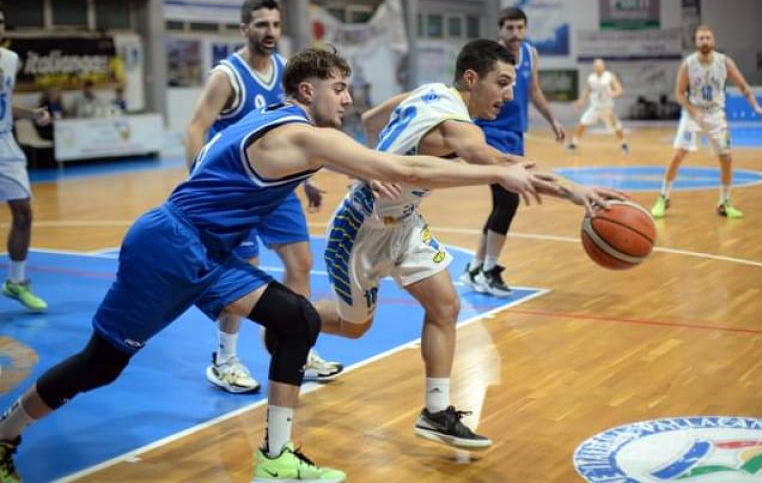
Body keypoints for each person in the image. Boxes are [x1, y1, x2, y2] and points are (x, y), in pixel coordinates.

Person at [0, 47, 554, 483]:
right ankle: (6, 434)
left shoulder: (287, 125)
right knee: (101, 365)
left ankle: (276, 457)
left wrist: (346, 173)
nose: (349, 98)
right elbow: (401, 164)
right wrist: (496, 172)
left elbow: (326, 160)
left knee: (298, 319)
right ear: (308, 90)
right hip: (168, 246)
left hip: (210, 253)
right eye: (340, 88)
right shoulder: (301, 132)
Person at [318, 39, 623, 449]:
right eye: (502, 82)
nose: (509, 95)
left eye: (513, 84)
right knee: (353, 328)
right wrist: (571, 190)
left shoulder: (430, 91)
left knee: (446, 306)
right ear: (470, 78)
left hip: (405, 224)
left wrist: (376, 157)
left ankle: (436, 412)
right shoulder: (457, 124)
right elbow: (493, 161)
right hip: (360, 230)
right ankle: (293, 319)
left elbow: (373, 118)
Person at [185, 0, 342, 394]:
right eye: (261, 24)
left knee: (302, 263)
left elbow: (287, 132)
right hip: (235, 190)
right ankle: (225, 359)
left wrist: (304, 179)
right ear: (244, 29)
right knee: (243, 270)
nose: (270, 31)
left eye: (275, 24)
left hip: (275, 187)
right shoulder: (227, 76)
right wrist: (202, 189)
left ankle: (297, 349)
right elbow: (195, 130)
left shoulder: (285, 70)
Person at [461, 7, 567, 297]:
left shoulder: (530, 54)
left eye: (520, 28)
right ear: (500, 30)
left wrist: (552, 119)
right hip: (490, 132)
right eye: (509, 28)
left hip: (516, 136)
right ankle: (489, 271)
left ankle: (475, 267)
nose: (515, 34)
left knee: (501, 204)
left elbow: (534, 91)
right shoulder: (490, 58)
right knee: (508, 201)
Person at [650, 25, 762, 219]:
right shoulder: (688, 64)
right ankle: (663, 197)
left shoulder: (725, 62)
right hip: (692, 114)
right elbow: (679, 94)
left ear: (713, 41)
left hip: (716, 115)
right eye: (701, 38)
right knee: (678, 154)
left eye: (708, 37)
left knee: (727, 158)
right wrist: (693, 111)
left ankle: (724, 202)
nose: (705, 41)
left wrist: (756, 106)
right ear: (696, 42)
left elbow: (743, 87)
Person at [0, 5, 52, 312]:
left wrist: (31, 114)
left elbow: (5, 104)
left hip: (5, 143)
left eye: (2, 22)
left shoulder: (10, 60)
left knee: (23, 213)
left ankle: (16, 282)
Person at [566, 58, 629, 154]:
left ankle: (623, 144)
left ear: (603, 66)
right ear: (594, 67)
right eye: (596, 66)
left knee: (616, 126)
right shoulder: (591, 78)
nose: (598, 67)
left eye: (600, 65)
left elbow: (619, 90)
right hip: (595, 107)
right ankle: (574, 143)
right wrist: (581, 101)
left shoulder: (609, 76)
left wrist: (613, 94)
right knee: (582, 123)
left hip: (607, 108)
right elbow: (587, 90)